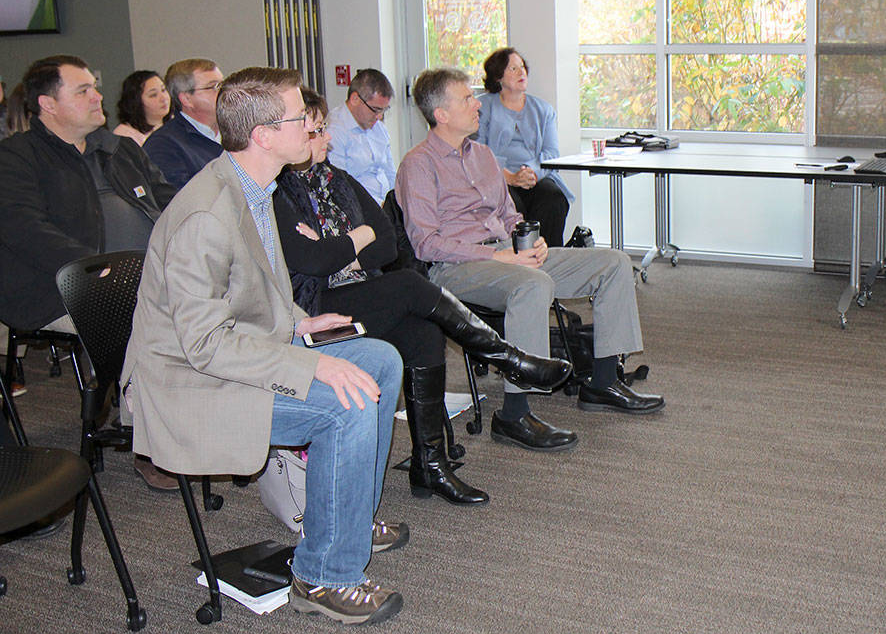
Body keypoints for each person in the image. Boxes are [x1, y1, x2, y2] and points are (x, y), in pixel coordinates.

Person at [122, 67, 407, 626]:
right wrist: (311, 364)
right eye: (300, 117)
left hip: (236, 353)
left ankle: (346, 520)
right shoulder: (207, 214)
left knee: (380, 360)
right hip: (192, 383)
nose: (312, 126)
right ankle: (324, 577)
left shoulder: (255, 188)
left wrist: (301, 324)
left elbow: (256, 291)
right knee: (343, 401)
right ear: (263, 135)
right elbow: (204, 345)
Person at [274, 88, 571, 505]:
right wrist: (353, 240)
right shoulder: (278, 192)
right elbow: (309, 260)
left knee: (424, 330)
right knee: (412, 287)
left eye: (324, 128)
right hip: (311, 311)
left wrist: (340, 246)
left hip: (360, 293)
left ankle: (429, 464)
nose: (328, 138)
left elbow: (385, 248)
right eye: (317, 130)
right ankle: (507, 358)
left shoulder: (336, 180)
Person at [396, 67, 663, 453]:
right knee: (533, 284)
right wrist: (497, 254)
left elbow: (509, 215)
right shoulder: (417, 165)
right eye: (467, 99)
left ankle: (603, 382)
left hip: (511, 254)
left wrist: (531, 242)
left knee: (614, 263)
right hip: (458, 268)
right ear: (441, 114)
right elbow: (426, 243)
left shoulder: (483, 155)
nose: (478, 106)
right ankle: (514, 413)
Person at [0, 55, 177, 488]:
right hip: (57, 288)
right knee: (148, 319)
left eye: (95, 88)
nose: (98, 96)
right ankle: (150, 442)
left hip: (145, 276)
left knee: (211, 298)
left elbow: (171, 202)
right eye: (82, 91)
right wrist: (108, 274)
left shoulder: (119, 149)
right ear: (48, 104)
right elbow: (29, 232)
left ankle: (196, 417)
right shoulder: (16, 158)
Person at [477, 48, 573, 247]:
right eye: (513, 68)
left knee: (553, 198)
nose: (522, 73)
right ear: (498, 77)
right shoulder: (483, 107)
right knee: (511, 207)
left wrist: (532, 173)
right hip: (498, 178)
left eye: (522, 67)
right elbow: (478, 152)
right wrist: (509, 177)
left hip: (534, 177)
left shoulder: (543, 110)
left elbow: (551, 153)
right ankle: (521, 263)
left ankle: (552, 261)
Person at [143, 58, 224, 188]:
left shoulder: (237, 131)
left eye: (223, 84)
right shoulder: (163, 146)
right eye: (214, 87)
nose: (225, 92)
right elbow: (180, 202)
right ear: (187, 99)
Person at [327, 68, 397, 201]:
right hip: (360, 210)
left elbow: (390, 173)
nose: (379, 116)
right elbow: (340, 187)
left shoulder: (379, 128)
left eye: (384, 110)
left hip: (385, 205)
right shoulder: (334, 131)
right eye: (375, 109)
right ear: (355, 99)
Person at [113, 69, 172, 146]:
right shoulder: (124, 135)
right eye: (153, 95)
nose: (164, 98)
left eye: (163, 90)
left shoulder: (174, 122)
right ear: (136, 102)